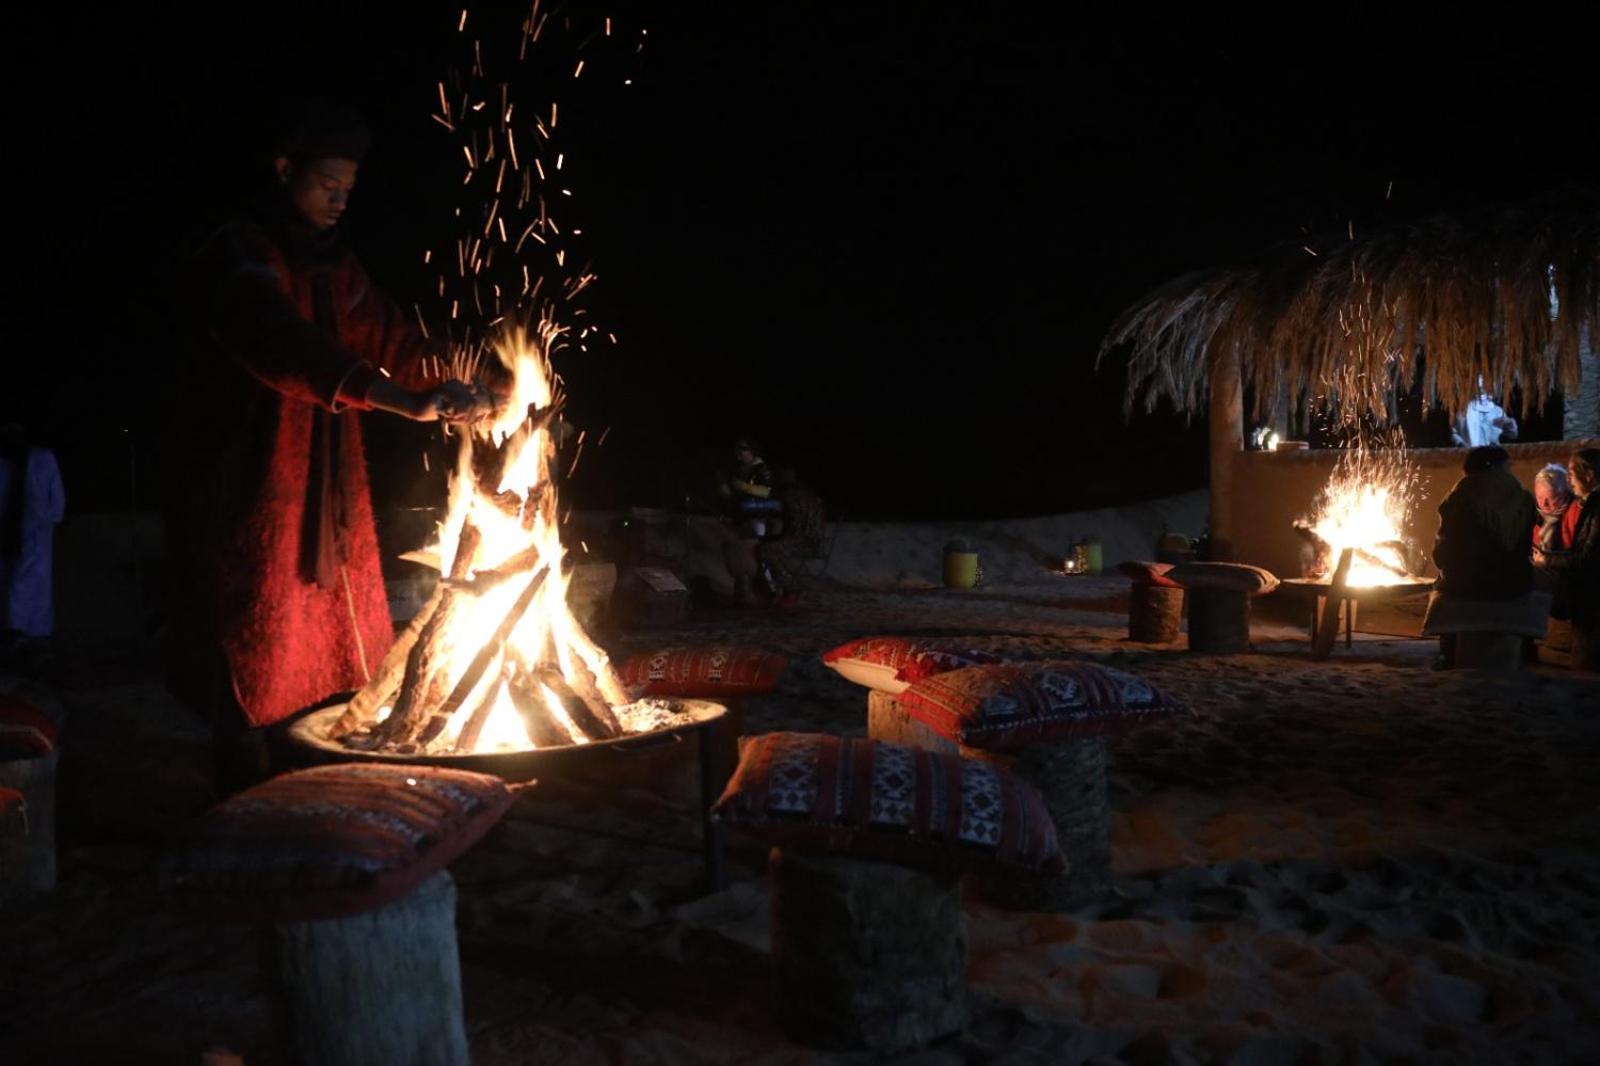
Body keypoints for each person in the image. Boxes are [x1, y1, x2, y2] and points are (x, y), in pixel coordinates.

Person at [168, 103, 495, 790]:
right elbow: (280, 339)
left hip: (330, 477)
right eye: (327, 184)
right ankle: (241, 784)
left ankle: (316, 766)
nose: (340, 199)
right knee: (254, 627)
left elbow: (391, 338)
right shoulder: (240, 252)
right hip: (253, 474)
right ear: (284, 169)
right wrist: (394, 398)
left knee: (332, 635)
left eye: (348, 188)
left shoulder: (334, 265)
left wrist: (473, 379)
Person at [1430, 446, 1538, 667]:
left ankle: (1448, 653)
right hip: (1514, 585)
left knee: (1442, 584)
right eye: (1507, 465)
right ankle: (1525, 650)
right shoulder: (1523, 498)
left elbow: (1443, 551)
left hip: (1468, 585)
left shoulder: (1459, 497)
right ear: (1497, 466)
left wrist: (1445, 570)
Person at [0, 424, 66, 657]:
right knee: (15, 580)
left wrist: (51, 516)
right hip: (13, 529)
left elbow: (54, 493)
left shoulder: (41, 458)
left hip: (34, 530)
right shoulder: (6, 463)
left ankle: (29, 633)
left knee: (29, 582)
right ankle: (19, 633)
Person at [1535, 448, 1600, 670]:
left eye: (1572, 472)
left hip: (1588, 597)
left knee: (1587, 663)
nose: (1545, 506)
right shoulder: (1589, 505)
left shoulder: (1589, 508)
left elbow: (1586, 557)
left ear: (1589, 475)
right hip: (1582, 598)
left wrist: (1547, 560)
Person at [1450, 376, 1519, 447]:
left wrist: (1509, 424)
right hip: (1472, 453)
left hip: (1492, 454)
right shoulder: (1465, 411)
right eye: (1480, 389)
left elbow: (1513, 434)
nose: (1483, 391)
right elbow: (1454, 433)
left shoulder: (1497, 411)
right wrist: (1461, 445)